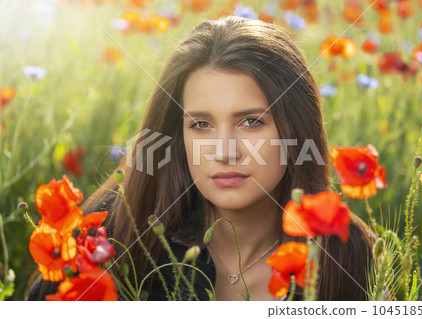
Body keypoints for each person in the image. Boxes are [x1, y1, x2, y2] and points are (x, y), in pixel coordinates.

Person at [27, 15, 374, 301]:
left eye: (251, 122)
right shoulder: (109, 234)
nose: (224, 151)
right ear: (179, 137)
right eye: (201, 124)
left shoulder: (349, 256)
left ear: (296, 131)